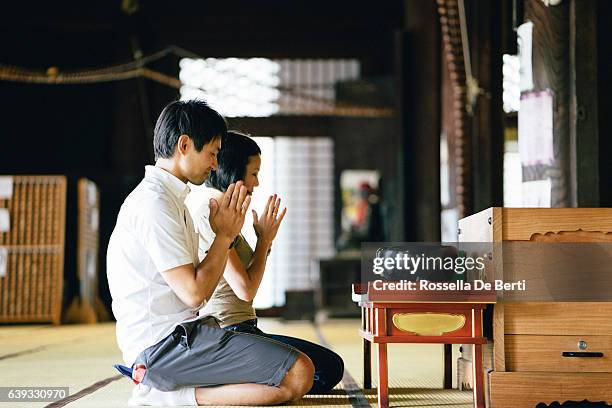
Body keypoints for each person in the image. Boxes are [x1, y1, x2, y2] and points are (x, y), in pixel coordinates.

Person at [107, 100, 314, 406]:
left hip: (189, 334)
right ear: (185, 144)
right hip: (163, 347)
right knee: (299, 374)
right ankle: (166, 395)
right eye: (213, 154)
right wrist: (225, 236)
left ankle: (173, 392)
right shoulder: (155, 204)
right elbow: (194, 294)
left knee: (296, 378)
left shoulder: (173, 199)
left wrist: (232, 237)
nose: (216, 165)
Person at [192, 131, 344, 394]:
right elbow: (246, 289)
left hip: (244, 329)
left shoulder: (223, 209)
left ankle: (246, 377)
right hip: (229, 332)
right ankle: (228, 383)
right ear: (233, 170)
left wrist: (265, 240)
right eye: (253, 173)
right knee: (326, 369)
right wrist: (263, 243)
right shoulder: (213, 209)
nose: (257, 182)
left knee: (328, 366)